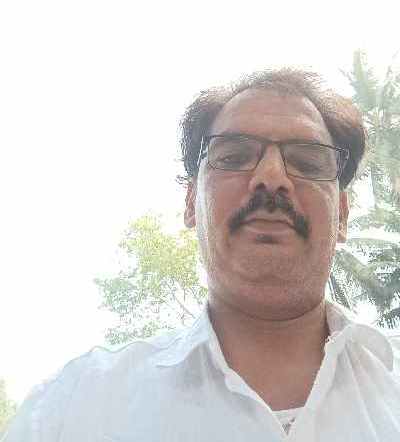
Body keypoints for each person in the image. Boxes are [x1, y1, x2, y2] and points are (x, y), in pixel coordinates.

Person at [3, 69, 400, 441]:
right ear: (192, 202)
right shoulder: (71, 409)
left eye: (307, 162)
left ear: (342, 215)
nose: (271, 177)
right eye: (234, 157)